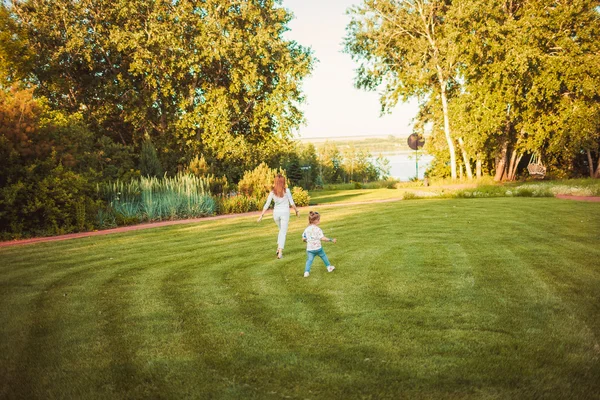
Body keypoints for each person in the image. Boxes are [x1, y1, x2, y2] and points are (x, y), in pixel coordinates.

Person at [257, 174, 299, 259]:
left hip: (276, 214)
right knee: (283, 232)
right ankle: (280, 252)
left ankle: (278, 248)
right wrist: (296, 211)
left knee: (281, 230)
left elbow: (267, 204)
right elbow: (292, 203)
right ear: (283, 182)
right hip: (285, 213)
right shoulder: (287, 191)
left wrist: (261, 215)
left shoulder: (272, 192)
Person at [302, 211, 336, 278]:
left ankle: (306, 272)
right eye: (318, 219)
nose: (319, 221)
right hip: (318, 248)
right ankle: (329, 267)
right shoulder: (318, 229)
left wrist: (307, 240)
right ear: (315, 221)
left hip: (310, 249)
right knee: (323, 256)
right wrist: (331, 240)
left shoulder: (306, 229)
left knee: (309, 260)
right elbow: (323, 238)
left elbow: (303, 238)